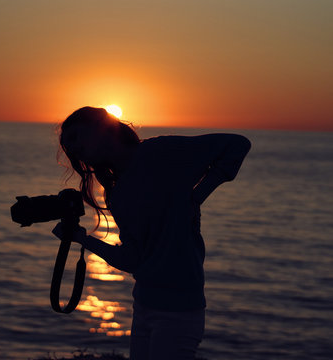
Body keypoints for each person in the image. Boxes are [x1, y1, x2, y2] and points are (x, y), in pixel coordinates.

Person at [52, 106, 251, 360]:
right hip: (144, 306)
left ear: (99, 129)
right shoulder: (116, 190)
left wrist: (196, 197)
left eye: (76, 139)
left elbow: (237, 145)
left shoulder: (159, 152)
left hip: (179, 310)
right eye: (70, 148)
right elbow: (133, 260)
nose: (75, 151)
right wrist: (81, 239)